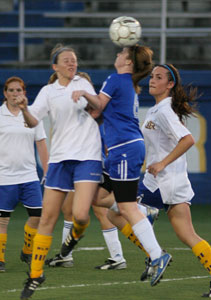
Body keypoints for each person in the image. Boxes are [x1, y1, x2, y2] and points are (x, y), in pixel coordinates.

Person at [56, 45, 172, 286]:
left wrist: (83, 94)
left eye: (121, 53)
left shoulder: (116, 79)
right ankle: (144, 213)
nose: (116, 54)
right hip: (122, 150)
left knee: (126, 207)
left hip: (124, 150)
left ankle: (157, 255)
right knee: (98, 197)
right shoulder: (126, 82)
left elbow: (97, 105)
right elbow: (98, 112)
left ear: (128, 61)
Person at [16, 44, 102, 300]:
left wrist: (85, 95)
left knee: (81, 215)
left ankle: (72, 240)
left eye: (74, 60)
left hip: (87, 156)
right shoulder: (48, 91)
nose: (71, 64)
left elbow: (99, 106)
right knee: (47, 219)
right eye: (66, 61)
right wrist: (23, 108)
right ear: (55, 67)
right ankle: (35, 275)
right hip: (60, 159)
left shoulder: (83, 83)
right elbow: (33, 121)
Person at [138, 63, 211, 297]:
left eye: (159, 77)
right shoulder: (157, 109)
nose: (152, 80)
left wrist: (162, 163)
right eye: (151, 76)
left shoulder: (165, 110)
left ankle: (155, 255)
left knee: (119, 211)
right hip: (168, 179)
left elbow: (187, 140)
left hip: (163, 180)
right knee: (187, 234)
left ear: (170, 84)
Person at [0, 76, 48, 272]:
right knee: (2, 220)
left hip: (29, 176)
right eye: (10, 90)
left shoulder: (32, 115)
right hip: (4, 177)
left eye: (18, 90)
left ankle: (27, 250)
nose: (14, 94)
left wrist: (47, 170)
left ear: (24, 93)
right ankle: (0, 259)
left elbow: (41, 143)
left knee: (37, 216)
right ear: (5, 93)